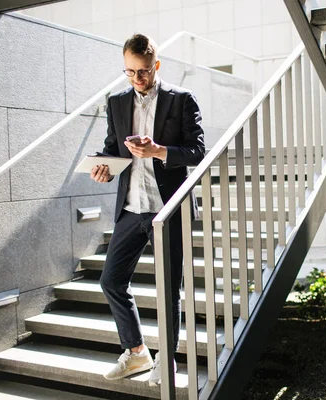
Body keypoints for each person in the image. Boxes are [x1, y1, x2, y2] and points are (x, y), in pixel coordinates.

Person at [90, 33, 205, 385]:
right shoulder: (116, 102)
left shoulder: (182, 100)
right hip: (131, 206)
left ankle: (166, 361)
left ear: (155, 65)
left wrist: (158, 151)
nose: (136, 79)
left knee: (169, 289)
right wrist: (103, 168)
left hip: (166, 208)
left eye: (142, 71)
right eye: (129, 72)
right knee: (111, 280)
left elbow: (198, 152)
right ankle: (137, 352)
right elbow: (113, 148)